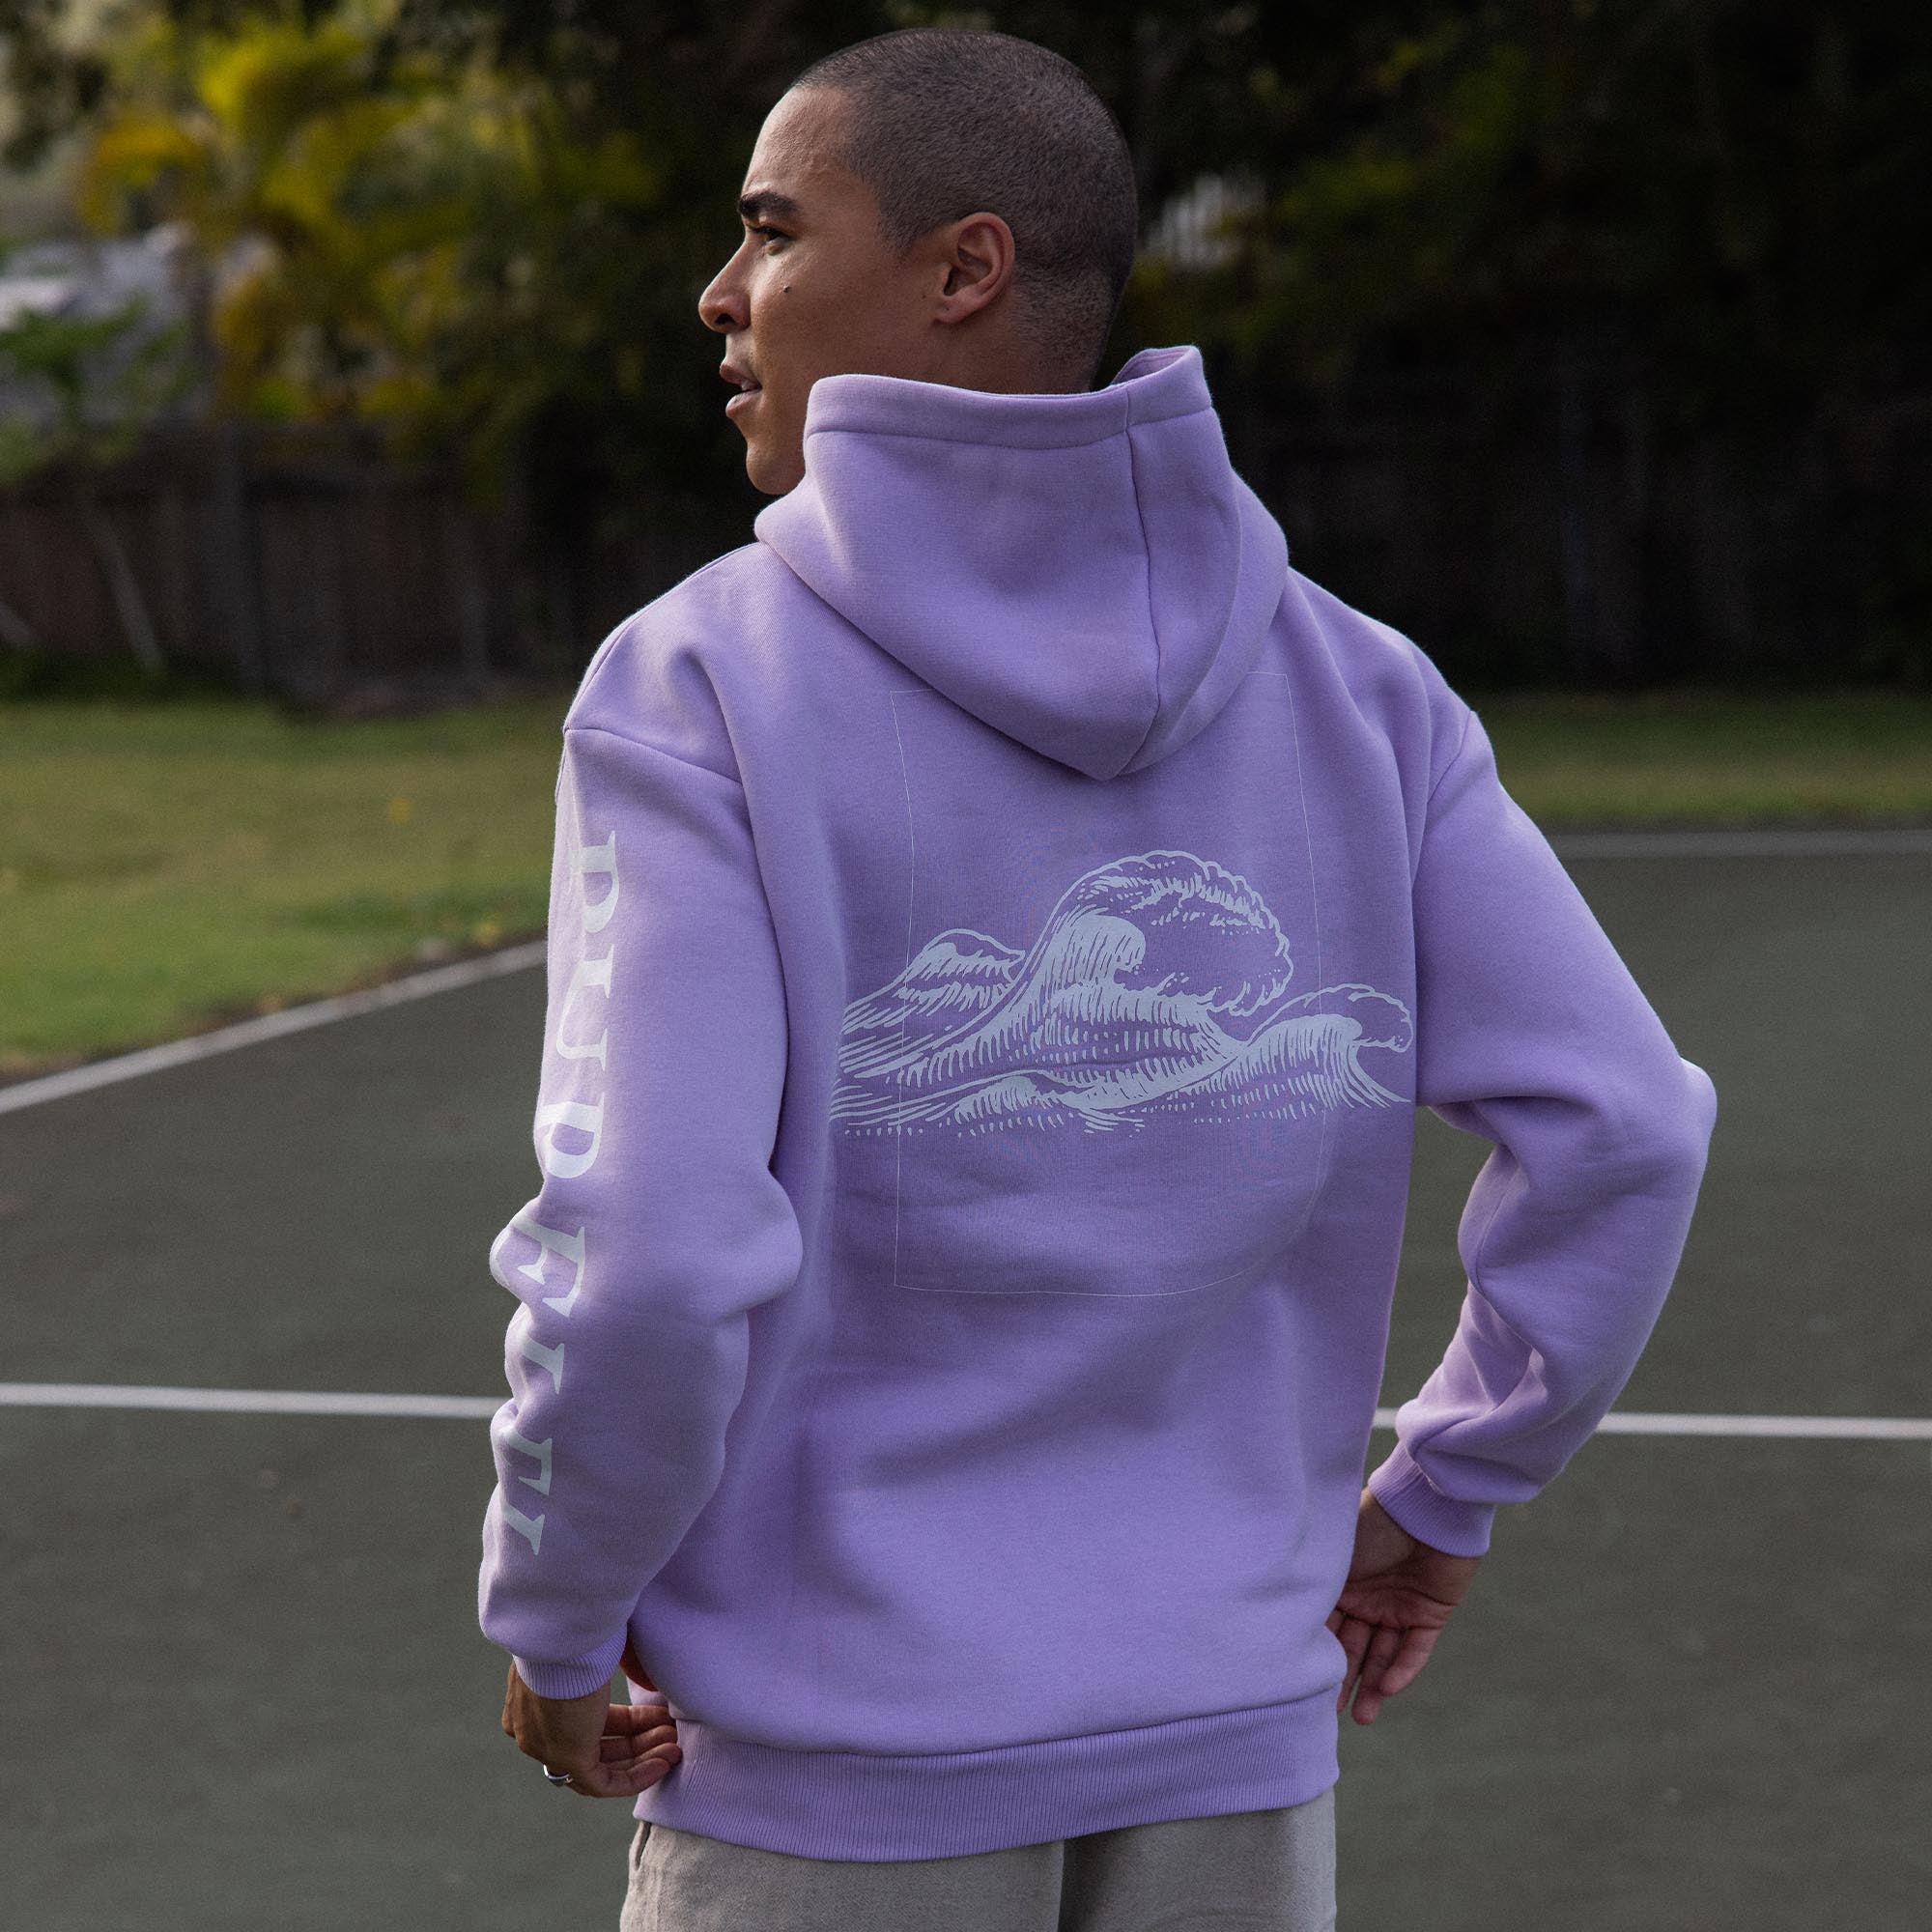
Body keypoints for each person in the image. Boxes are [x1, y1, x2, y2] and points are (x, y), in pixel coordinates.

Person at [482, 25, 1718, 1931]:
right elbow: (1626, 1126)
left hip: (832, 1780)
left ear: (962, 268)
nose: (721, 293)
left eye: (773, 230)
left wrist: (560, 1617)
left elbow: (646, 1246)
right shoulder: (1360, 684)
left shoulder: (696, 682)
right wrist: (1443, 1492)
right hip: (1235, 1756)